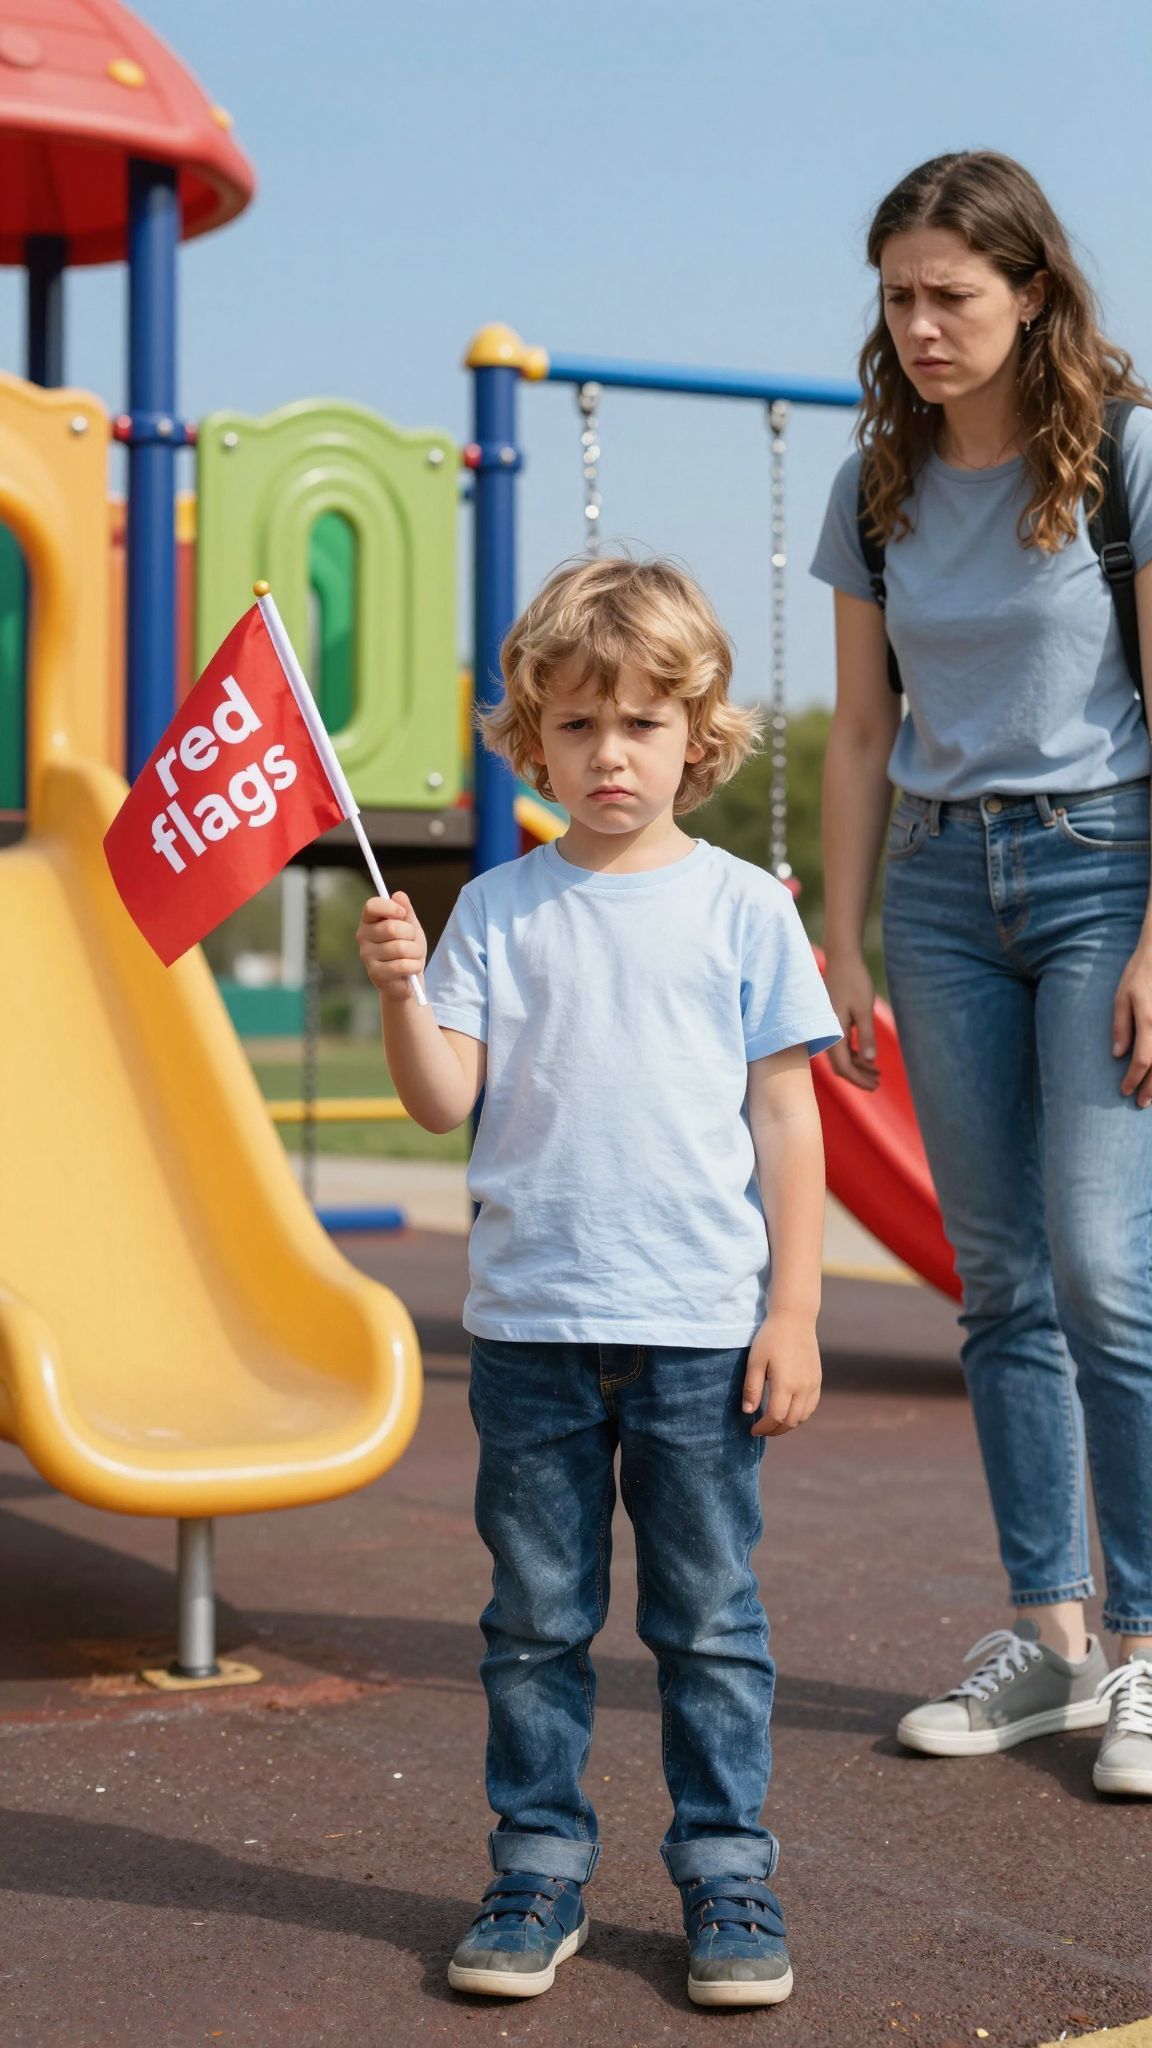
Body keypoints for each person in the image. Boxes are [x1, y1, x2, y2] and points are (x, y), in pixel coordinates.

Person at [357, 556, 841, 2006]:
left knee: (708, 1622)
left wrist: (798, 1308)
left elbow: (785, 1119)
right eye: (577, 726)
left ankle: (729, 1879)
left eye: (641, 722)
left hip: (700, 1333)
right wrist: (400, 992)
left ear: (699, 732)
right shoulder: (498, 910)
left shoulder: (745, 908)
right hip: (531, 1333)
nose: (610, 753)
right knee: (534, 1623)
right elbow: (443, 1101)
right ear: (532, 742)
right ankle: (538, 1870)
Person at [812, 149, 1152, 1796]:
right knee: (1000, 1278)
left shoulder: (1124, 460)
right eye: (899, 297)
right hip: (942, 888)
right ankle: (1057, 1643)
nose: (924, 324)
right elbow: (863, 731)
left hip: (1105, 873)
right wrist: (843, 927)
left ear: (1031, 291)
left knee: (1105, 1267)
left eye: (953, 293)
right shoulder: (876, 481)